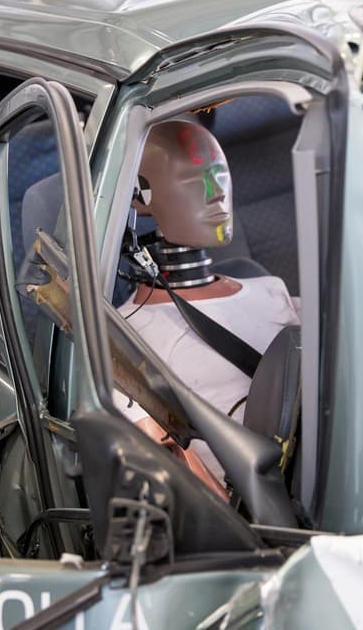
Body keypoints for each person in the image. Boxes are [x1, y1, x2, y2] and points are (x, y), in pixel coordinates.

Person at [113, 120, 300, 497]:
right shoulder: (124, 338)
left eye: (221, 176)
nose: (217, 194)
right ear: (140, 197)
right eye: (193, 179)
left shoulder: (272, 290)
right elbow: (176, 475)